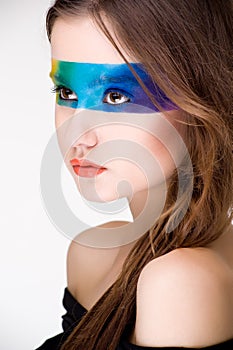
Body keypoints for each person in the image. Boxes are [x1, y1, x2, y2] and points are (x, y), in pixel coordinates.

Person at [36, 0, 233, 349]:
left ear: (200, 97)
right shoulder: (92, 254)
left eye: (116, 96)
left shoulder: (181, 282)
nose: (77, 136)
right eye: (67, 92)